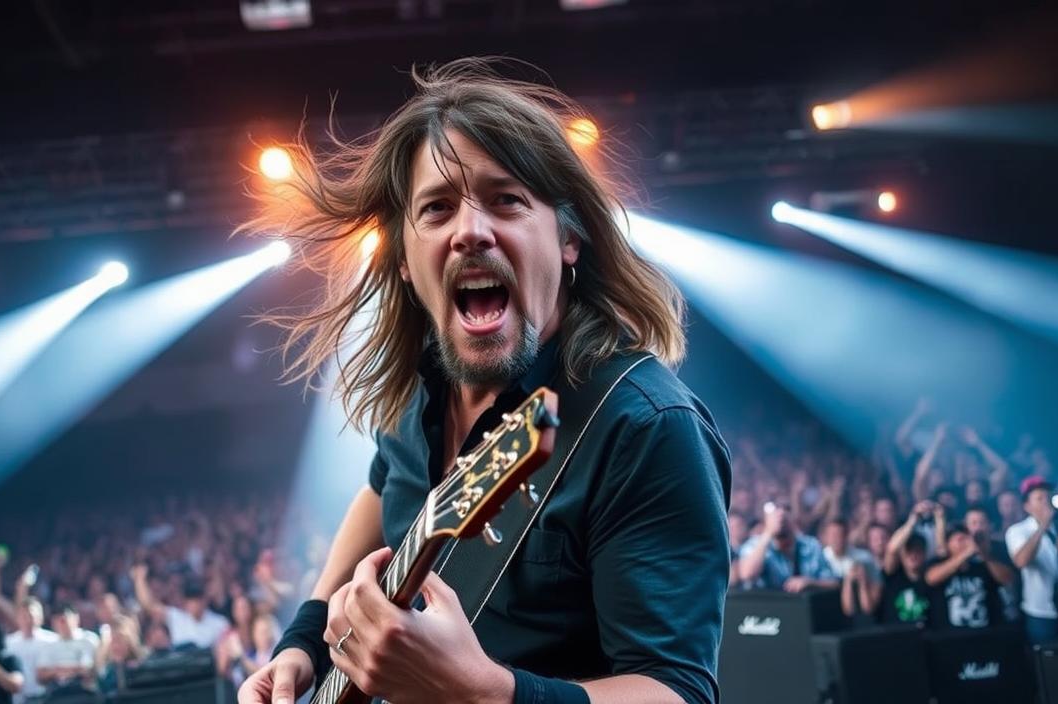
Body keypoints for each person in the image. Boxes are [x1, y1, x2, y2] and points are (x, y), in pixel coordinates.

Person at [237, 58, 730, 704]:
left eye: (506, 200)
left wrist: (485, 693)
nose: (470, 231)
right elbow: (384, 487)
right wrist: (302, 640)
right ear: (406, 261)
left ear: (568, 238)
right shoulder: (423, 390)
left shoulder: (645, 427)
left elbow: (678, 693)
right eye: (437, 208)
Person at [1005, 475, 1058, 644]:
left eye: (1048, 497)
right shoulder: (1018, 531)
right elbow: (1021, 561)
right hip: (1040, 612)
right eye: (1039, 498)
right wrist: (1043, 525)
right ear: (1027, 506)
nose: (1046, 502)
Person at [736, 504, 838, 593]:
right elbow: (747, 574)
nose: (781, 520)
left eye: (785, 514)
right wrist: (768, 533)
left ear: (794, 519)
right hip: (766, 610)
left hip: (802, 609)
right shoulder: (755, 544)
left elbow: (833, 583)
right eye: (776, 516)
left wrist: (810, 582)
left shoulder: (810, 545)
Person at [925, 524, 1005, 629]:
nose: (965, 543)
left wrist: (984, 554)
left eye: (967, 539)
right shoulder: (938, 562)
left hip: (983, 634)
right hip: (949, 636)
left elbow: (1006, 579)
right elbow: (931, 579)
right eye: (960, 539)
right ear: (948, 544)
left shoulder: (982, 564)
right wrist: (966, 553)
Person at [130, 565, 228, 650]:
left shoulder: (220, 623)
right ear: (186, 601)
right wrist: (139, 579)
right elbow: (149, 606)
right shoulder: (176, 617)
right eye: (190, 599)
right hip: (180, 667)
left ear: (204, 600)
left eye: (197, 599)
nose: (194, 604)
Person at [0, 599, 57, 704]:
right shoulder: (8, 643)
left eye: (31, 616)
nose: (27, 620)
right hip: (17, 699)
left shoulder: (53, 640)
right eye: (23, 616)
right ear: (17, 618)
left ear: (41, 618)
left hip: (47, 698)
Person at [35, 604, 99, 693]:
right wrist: (72, 670)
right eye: (57, 621)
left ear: (76, 619)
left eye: (64, 620)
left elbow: (88, 670)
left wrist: (57, 670)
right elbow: (40, 676)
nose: (61, 624)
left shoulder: (89, 640)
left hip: (84, 692)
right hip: (57, 693)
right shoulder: (49, 644)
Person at [877, 532, 933, 626]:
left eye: (917, 551)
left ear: (924, 554)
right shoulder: (892, 576)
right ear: (901, 555)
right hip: (896, 637)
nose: (913, 555)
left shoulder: (932, 578)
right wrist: (912, 521)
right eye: (908, 551)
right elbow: (892, 549)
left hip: (925, 638)